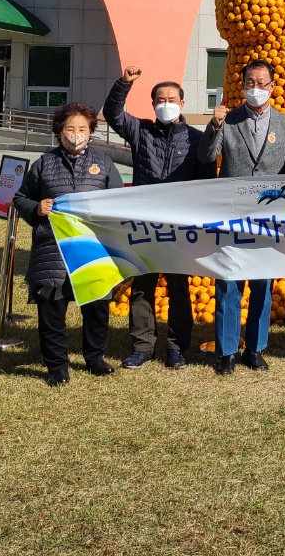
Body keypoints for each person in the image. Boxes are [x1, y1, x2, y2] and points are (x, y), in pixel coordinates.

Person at [103, 66, 214, 371]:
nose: (166, 103)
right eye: (160, 99)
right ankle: (142, 346)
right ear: (153, 105)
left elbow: (206, 180)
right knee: (142, 286)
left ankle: (177, 348)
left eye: (172, 99)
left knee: (179, 287)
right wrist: (123, 83)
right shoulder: (141, 132)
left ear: (182, 104)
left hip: (179, 226)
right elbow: (113, 114)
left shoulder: (196, 139)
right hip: (144, 223)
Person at [198, 59, 285, 375]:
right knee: (228, 280)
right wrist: (213, 126)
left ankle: (255, 349)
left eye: (261, 83)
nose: (255, 88)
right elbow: (207, 156)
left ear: (272, 86)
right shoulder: (228, 120)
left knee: (262, 283)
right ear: (242, 86)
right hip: (232, 214)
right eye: (249, 83)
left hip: (268, 217)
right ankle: (227, 351)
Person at [13, 102, 123, 386]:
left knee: (97, 308)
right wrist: (37, 208)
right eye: (70, 129)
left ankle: (95, 359)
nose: (76, 134)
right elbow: (21, 198)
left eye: (82, 129)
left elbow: (120, 202)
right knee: (52, 309)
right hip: (53, 249)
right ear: (59, 132)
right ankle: (57, 367)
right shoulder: (44, 164)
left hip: (93, 248)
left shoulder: (105, 163)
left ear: (91, 132)